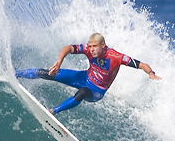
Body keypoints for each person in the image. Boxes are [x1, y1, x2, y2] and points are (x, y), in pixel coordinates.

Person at [15, 33, 161, 115]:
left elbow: (141, 64)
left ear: (103, 45)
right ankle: (15, 73)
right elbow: (68, 48)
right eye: (89, 46)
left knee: (82, 92)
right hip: (83, 77)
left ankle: (53, 111)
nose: (90, 50)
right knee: (47, 73)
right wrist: (59, 61)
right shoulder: (88, 49)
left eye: (94, 47)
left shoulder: (116, 57)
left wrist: (151, 73)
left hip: (96, 90)